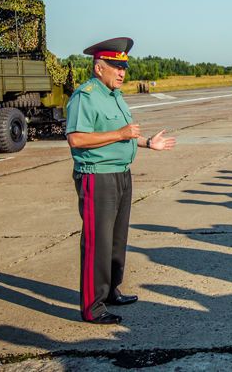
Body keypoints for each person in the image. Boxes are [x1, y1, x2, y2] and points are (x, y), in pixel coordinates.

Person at [66, 37, 177, 324]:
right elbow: (77, 138)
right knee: (97, 241)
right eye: (115, 66)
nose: (121, 73)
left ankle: (111, 290)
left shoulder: (114, 95)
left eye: (123, 67)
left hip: (121, 174)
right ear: (98, 66)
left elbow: (126, 132)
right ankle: (93, 306)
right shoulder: (86, 96)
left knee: (117, 239)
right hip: (97, 177)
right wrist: (121, 135)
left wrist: (147, 142)